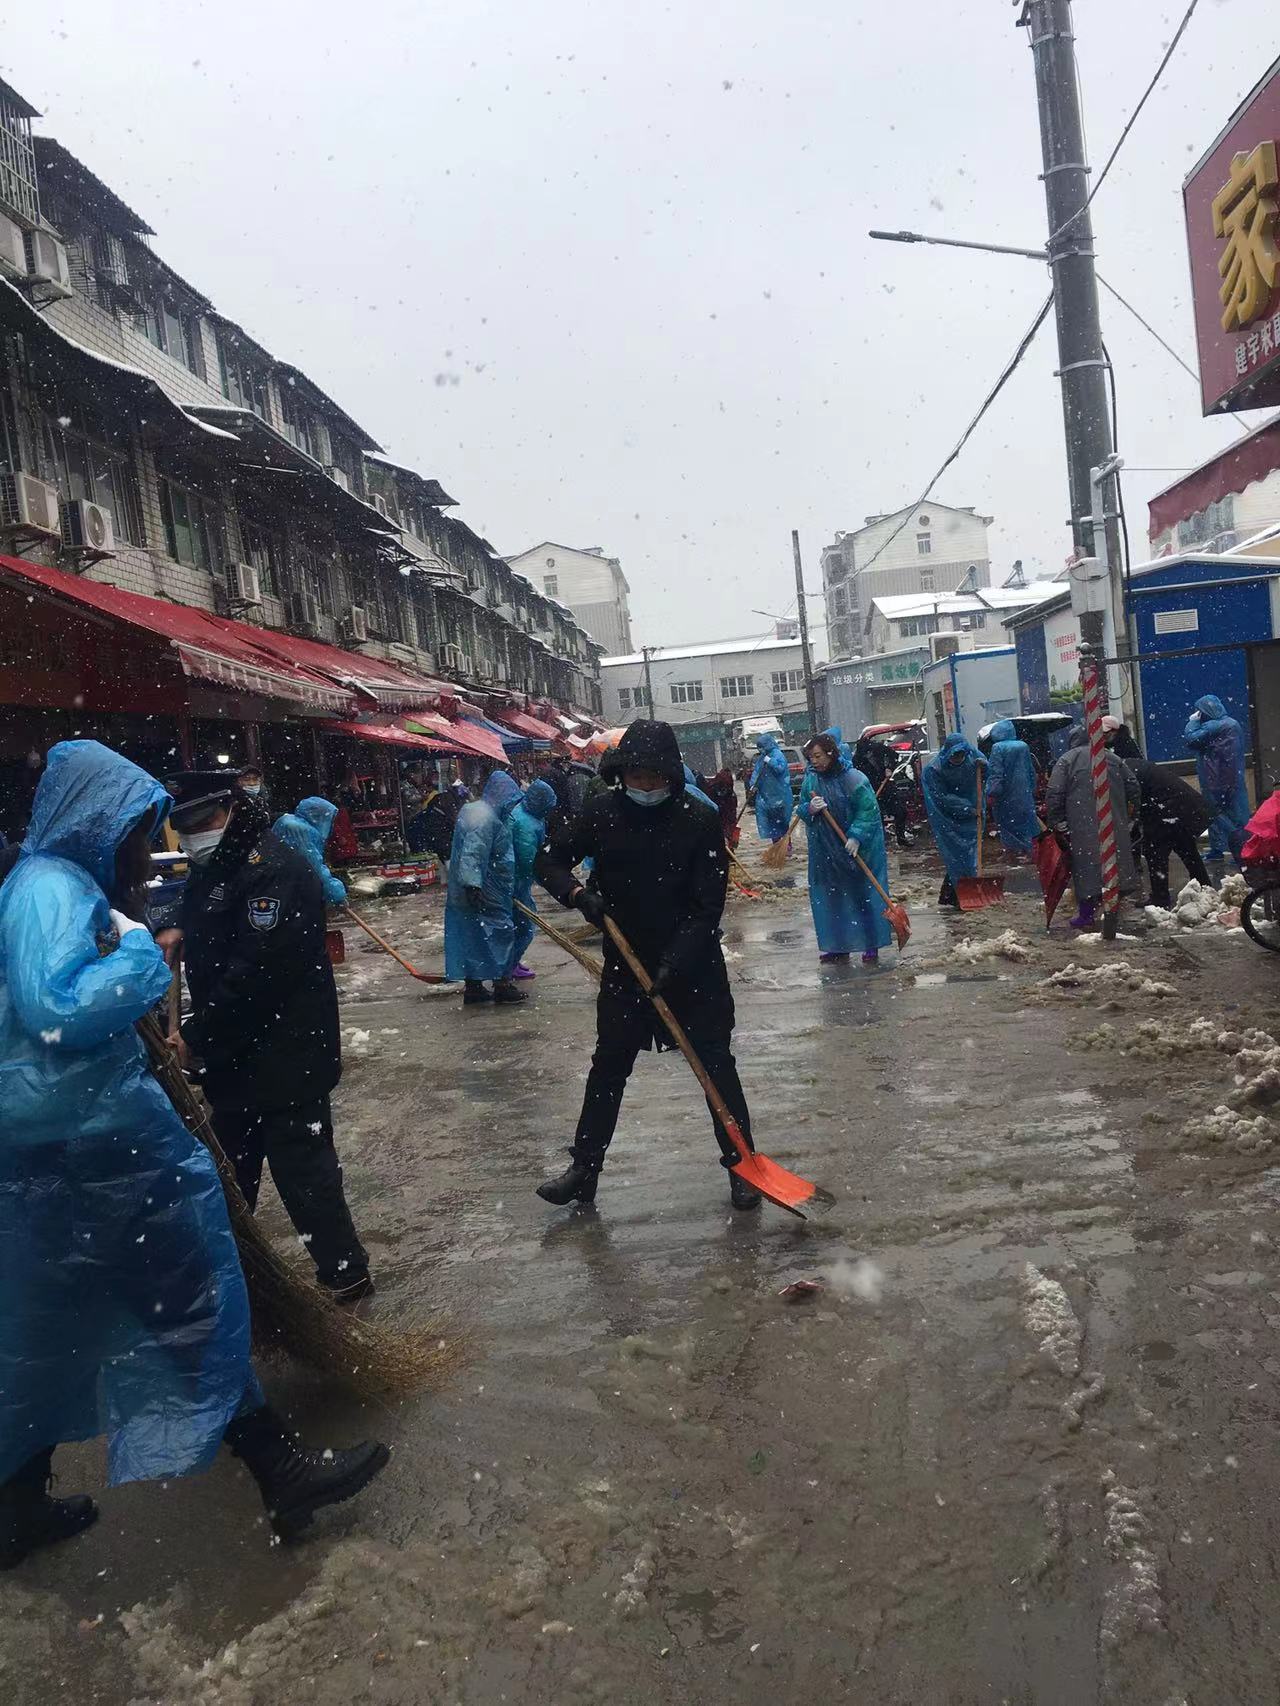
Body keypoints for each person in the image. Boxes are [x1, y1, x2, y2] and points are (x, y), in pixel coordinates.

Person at [0, 741, 387, 1569]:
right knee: (190, 1297)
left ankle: (16, 1506)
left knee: (53, 1323)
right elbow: (57, 1012)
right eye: (140, 832)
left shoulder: (58, 885)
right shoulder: (49, 891)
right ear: (100, 825)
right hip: (93, 1144)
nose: (151, 850)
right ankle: (280, 1471)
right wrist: (140, 958)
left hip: (67, 1142)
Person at [533, 719, 761, 1211]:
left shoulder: (698, 820)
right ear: (621, 774)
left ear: (671, 775)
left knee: (715, 1066)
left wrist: (676, 961)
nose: (646, 785)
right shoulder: (600, 814)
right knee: (608, 1067)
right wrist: (578, 895)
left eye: (655, 777)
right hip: (626, 964)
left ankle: (743, 1165)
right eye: (637, 776)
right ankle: (584, 1169)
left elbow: (708, 906)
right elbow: (548, 862)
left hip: (694, 967)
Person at [165, 771, 372, 1304]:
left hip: (286, 1051)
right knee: (228, 1171)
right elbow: (203, 911)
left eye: (204, 821)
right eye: (184, 826)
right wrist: (178, 926)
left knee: (303, 1170)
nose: (194, 835)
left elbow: (258, 973)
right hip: (235, 1054)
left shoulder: (274, 868)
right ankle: (229, 1276)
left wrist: (197, 1033)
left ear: (232, 809)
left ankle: (345, 1274)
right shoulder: (217, 862)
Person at [797, 732, 892, 964]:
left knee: (862, 898)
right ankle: (838, 946)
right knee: (833, 901)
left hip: (854, 850)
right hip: (826, 851)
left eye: (818, 756)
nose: (814, 761)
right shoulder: (811, 781)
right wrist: (810, 809)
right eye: (811, 757)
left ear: (831, 754)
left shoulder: (853, 778)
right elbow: (801, 808)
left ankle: (870, 944)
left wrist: (857, 836)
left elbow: (868, 810)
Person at [1106, 719, 1213, 908]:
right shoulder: (1129, 764)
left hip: (1167, 810)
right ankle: (1205, 889)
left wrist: (1130, 819)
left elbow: (1132, 797)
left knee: (1156, 852)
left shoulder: (1124, 770)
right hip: (1180, 807)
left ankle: (1161, 898)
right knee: (1186, 849)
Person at [1044, 727, 1141, 928]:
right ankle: (1113, 908)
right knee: (1115, 863)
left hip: (1080, 824)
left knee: (1085, 868)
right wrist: (1129, 814)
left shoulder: (1067, 760)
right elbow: (1133, 785)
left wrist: (1057, 822)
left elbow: (1054, 793)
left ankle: (1087, 914)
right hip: (1113, 821)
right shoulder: (1111, 758)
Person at [444, 768, 526, 1005]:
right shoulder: (485, 818)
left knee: (471, 936)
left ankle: (474, 986)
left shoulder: (476, 810)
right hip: (486, 888)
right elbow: (474, 851)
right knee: (500, 932)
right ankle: (502, 984)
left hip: (471, 887)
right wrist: (473, 884)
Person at [1184, 694, 1251, 865]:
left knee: (1215, 814)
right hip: (1233, 776)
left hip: (1214, 779)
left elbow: (1191, 739)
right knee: (1237, 815)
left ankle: (1233, 849)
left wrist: (1193, 722)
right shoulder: (1232, 724)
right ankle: (1240, 848)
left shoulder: (1213, 726)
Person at [921, 734, 985, 907]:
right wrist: (966, 808)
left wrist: (985, 767)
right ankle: (958, 895)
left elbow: (986, 775)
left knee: (969, 855)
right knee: (956, 857)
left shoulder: (973, 756)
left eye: (961, 755)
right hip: (947, 818)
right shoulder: (934, 769)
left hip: (974, 813)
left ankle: (952, 895)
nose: (958, 758)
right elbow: (942, 798)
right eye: (955, 755)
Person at [508, 777, 557, 980]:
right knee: (524, 927)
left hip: (515, 879)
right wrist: (546, 877)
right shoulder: (525, 824)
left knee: (517, 925)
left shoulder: (526, 813)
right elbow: (528, 858)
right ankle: (509, 965)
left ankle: (511, 962)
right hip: (516, 880)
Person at [274, 796, 348, 906]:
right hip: (289, 889)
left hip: (277, 883)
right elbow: (314, 866)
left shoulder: (287, 821)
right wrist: (336, 895)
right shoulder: (300, 830)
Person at [984, 719, 1040, 857]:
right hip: (1024, 793)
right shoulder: (1023, 746)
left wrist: (992, 792)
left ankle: (1012, 852)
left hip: (1006, 795)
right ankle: (1030, 852)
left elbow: (996, 773)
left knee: (1007, 824)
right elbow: (1030, 770)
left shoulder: (997, 748)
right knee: (1026, 823)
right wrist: (1032, 788)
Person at [853, 732, 914, 849]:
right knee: (877, 816)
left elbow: (893, 755)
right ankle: (881, 842)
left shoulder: (878, 749)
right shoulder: (857, 759)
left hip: (885, 786)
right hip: (870, 791)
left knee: (900, 811)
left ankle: (901, 838)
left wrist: (889, 767)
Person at [748, 732, 792, 845]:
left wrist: (771, 761)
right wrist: (753, 785)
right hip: (767, 797)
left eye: (762, 746)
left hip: (779, 795)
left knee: (782, 822)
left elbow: (780, 769)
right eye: (759, 747)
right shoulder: (762, 758)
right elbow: (757, 772)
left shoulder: (777, 755)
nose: (760, 749)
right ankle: (776, 845)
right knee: (772, 824)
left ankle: (786, 845)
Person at [705, 769, 740, 848]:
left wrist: (729, 834)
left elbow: (731, 817)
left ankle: (728, 846)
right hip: (714, 819)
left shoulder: (731, 796)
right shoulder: (710, 791)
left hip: (725, 816)